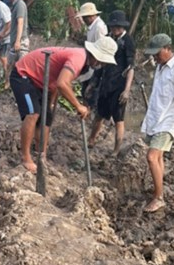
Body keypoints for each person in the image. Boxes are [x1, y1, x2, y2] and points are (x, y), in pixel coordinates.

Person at [10, 36, 117, 174]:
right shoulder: (78, 58)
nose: (101, 65)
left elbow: (56, 82)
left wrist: (50, 103)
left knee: (46, 119)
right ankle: (26, 157)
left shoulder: (84, 64)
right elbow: (62, 83)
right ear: (96, 56)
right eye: (102, 61)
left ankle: (41, 156)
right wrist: (78, 106)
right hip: (24, 74)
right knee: (33, 114)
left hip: (43, 82)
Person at [140, 33, 174, 213]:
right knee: (158, 157)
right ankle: (159, 190)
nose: (154, 57)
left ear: (168, 48)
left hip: (169, 121)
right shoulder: (160, 67)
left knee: (151, 156)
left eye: (157, 53)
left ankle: (159, 198)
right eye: (153, 54)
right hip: (156, 119)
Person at [86, 10, 136, 154]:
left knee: (118, 119)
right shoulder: (108, 38)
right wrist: (93, 83)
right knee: (99, 114)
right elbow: (100, 63)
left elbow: (130, 67)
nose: (115, 29)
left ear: (122, 27)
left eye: (117, 27)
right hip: (106, 83)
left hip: (119, 86)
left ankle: (115, 150)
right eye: (113, 27)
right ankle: (91, 139)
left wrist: (126, 90)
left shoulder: (128, 42)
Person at [4, 0, 30, 76]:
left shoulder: (20, 5)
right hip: (15, 41)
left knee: (22, 68)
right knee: (10, 65)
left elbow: (20, 23)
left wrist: (18, 41)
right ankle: (9, 85)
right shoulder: (15, 5)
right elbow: (13, 25)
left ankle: (21, 87)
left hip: (20, 42)